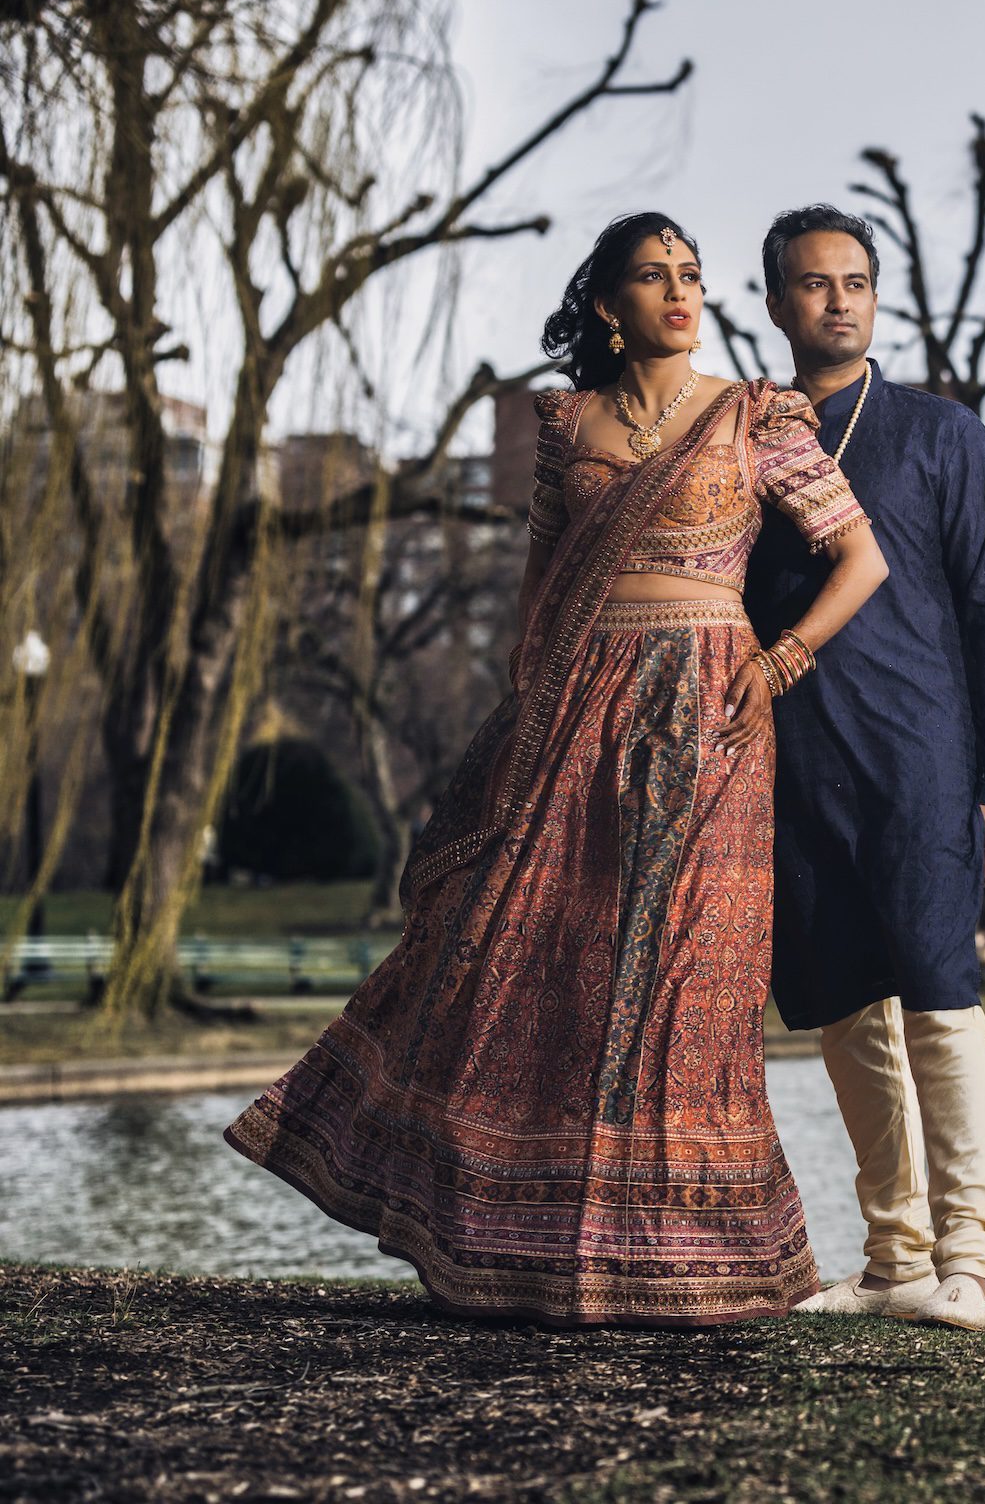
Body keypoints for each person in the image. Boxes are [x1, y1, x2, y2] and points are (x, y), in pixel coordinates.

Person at [226, 214, 887, 1326]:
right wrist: (525, 721)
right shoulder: (565, 423)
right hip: (577, 706)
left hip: (711, 709)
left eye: (691, 273)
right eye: (651, 275)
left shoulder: (751, 415)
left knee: (684, 975)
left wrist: (780, 662)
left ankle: (692, 1259)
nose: (679, 292)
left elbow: (860, 556)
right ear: (606, 304)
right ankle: (517, 1246)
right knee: (539, 954)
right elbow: (541, 593)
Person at [744, 205, 985, 1333]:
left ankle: (971, 1257)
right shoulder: (747, 438)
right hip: (792, 761)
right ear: (777, 303)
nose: (839, 300)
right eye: (815, 285)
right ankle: (895, 1255)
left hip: (923, 759)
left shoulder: (941, 434)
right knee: (840, 1006)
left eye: (856, 281)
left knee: (939, 994)